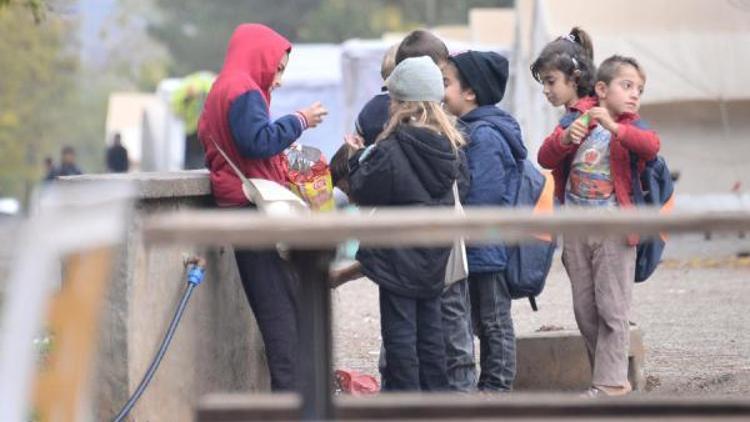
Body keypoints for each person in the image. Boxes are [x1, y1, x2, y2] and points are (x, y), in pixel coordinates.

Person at [197, 23, 327, 391]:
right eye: (279, 68)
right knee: (283, 319)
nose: (279, 80)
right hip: (252, 211)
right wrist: (300, 120)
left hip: (239, 208)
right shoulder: (243, 91)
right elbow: (258, 141)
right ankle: (292, 403)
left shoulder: (223, 87)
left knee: (281, 312)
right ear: (259, 57)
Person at [537, 55, 661, 397]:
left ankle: (610, 385)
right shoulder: (579, 119)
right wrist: (566, 139)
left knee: (612, 309)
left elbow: (650, 147)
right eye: (627, 85)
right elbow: (545, 157)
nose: (634, 94)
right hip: (577, 230)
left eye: (639, 89)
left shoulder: (632, 127)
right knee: (585, 310)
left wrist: (615, 127)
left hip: (614, 231)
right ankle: (607, 378)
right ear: (602, 89)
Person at [345, 56, 464, 391]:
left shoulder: (391, 148)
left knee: (400, 337)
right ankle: (435, 404)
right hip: (433, 255)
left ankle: (406, 405)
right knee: (431, 334)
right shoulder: (450, 146)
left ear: (398, 103)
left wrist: (355, 159)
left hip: (397, 257)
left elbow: (364, 191)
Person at [442, 50, 525, 392]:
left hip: (485, 245)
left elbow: (485, 196)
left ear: (470, 92)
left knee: (493, 321)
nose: (440, 90)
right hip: (476, 244)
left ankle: (496, 388)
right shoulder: (471, 130)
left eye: (446, 83)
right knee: (481, 319)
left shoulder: (485, 136)